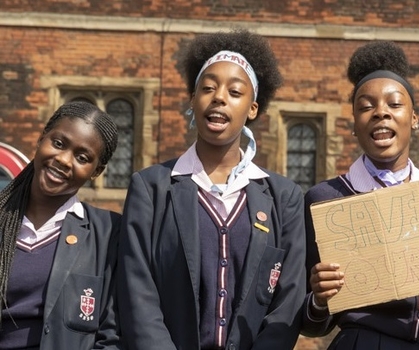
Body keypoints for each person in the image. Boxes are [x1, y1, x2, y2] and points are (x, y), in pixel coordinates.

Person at [117, 29, 306, 350]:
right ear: (193, 99)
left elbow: (288, 299)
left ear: (253, 109)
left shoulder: (283, 197)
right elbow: (137, 290)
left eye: (235, 92)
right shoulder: (151, 188)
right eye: (207, 88)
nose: (219, 97)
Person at [301, 41, 419, 349]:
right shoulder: (327, 199)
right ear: (354, 125)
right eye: (366, 106)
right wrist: (318, 299)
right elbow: (310, 324)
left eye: (394, 104)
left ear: (414, 118)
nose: (380, 112)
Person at [0, 101, 121, 349]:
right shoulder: (4, 217)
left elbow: (113, 334)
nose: (64, 160)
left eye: (82, 157)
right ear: (41, 139)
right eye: (58, 143)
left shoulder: (109, 233)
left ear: (96, 171)